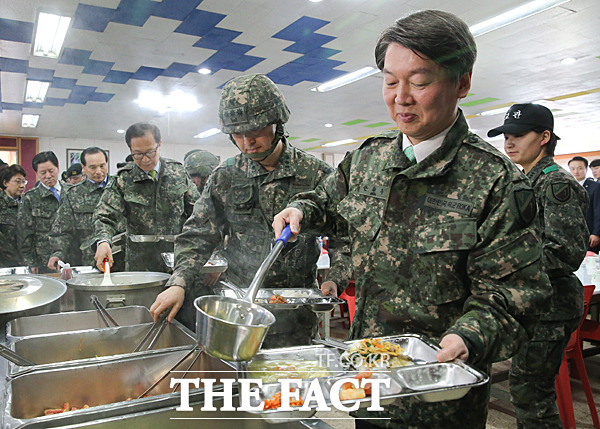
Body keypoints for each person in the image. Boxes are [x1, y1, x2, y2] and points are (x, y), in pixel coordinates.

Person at [272, 10, 550, 428]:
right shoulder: (368, 158)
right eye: (389, 81)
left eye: (419, 82)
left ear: (462, 83)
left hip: (439, 396)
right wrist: (301, 211)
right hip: (368, 382)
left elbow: (513, 294)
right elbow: (325, 201)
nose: (401, 97)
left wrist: (469, 336)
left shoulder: (496, 181)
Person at [150, 74, 350, 343]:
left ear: (277, 123)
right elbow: (198, 235)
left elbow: (343, 234)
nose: (247, 142)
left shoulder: (316, 174)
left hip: (296, 309)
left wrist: (336, 277)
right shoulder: (226, 176)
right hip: (239, 305)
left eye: (255, 131)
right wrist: (179, 282)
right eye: (238, 134)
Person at [488, 103, 588, 428]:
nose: (509, 142)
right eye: (506, 136)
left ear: (544, 137)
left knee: (532, 394)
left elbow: (566, 251)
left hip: (551, 306)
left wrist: (504, 262)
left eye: (518, 135)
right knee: (527, 392)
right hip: (534, 303)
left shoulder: (556, 185)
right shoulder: (527, 181)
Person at [92, 122, 197, 272]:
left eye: (150, 152)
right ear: (130, 150)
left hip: (177, 260)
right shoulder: (124, 179)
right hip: (140, 265)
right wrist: (103, 242)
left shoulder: (178, 173)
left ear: (159, 145)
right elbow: (104, 215)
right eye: (138, 154)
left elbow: (198, 214)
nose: (145, 159)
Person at [48, 147, 110, 270]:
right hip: (90, 263)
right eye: (93, 167)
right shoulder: (73, 194)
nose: (98, 171)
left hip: (122, 260)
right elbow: (62, 230)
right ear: (83, 167)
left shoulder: (119, 188)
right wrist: (58, 253)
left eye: (102, 166)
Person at [18, 151, 72, 273]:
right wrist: (31, 262)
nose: (48, 176)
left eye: (51, 171)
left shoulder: (72, 192)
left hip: (73, 256)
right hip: (45, 260)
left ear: (58, 168)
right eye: (43, 173)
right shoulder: (30, 198)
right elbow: (25, 234)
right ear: (37, 173)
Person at [568, 156, 600, 252]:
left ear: (586, 169)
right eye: (572, 169)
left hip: (589, 234)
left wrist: (596, 233)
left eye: (580, 168)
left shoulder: (595, 187)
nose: (576, 171)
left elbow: (598, 211)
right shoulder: (567, 187)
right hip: (572, 235)